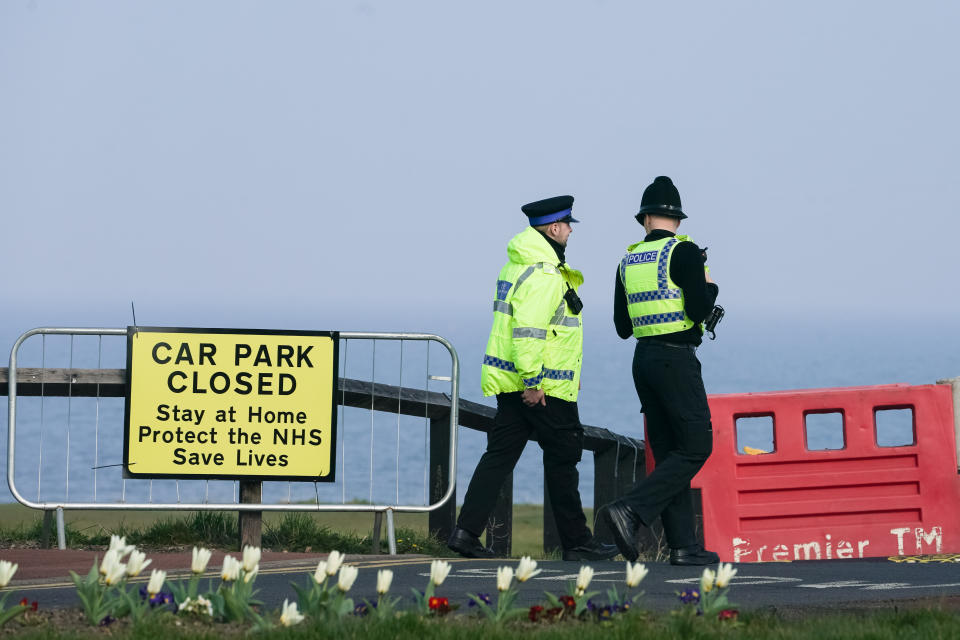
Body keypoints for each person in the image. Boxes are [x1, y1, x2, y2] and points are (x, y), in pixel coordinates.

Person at [447, 195, 618, 561]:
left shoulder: (517, 265)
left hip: (515, 383)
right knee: (565, 454)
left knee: (499, 456)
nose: (571, 231)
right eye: (568, 225)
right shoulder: (542, 272)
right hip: (540, 387)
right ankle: (577, 543)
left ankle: (465, 532)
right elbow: (529, 331)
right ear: (554, 228)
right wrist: (534, 383)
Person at [597, 176, 720, 566]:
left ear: (645, 219)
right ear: (677, 221)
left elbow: (622, 327)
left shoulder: (627, 260)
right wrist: (710, 288)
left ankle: (684, 547)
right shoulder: (685, 253)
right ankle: (630, 511)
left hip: (643, 360)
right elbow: (700, 309)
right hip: (676, 359)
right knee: (698, 446)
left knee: (670, 453)